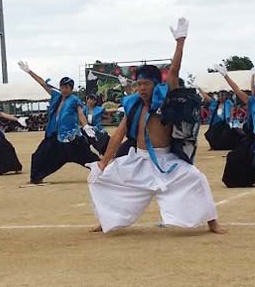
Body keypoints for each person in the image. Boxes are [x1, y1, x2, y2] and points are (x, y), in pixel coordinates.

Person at [85, 18, 226, 234]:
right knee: (104, 180)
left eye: (146, 84)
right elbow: (117, 137)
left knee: (196, 178)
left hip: (167, 161)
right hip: (138, 161)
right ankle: (107, 220)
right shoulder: (133, 107)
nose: (141, 88)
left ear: (155, 84)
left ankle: (212, 222)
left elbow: (174, 71)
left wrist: (180, 42)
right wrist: (103, 163)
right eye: (138, 84)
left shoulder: (166, 98)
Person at [18, 61, 100, 185]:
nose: (64, 89)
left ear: (71, 89)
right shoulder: (56, 96)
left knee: (86, 157)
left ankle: (103, 170)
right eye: (62, 87)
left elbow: (80, 113)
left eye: (67, 87)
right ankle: (36, 178)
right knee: (39, 155)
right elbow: (42, 83)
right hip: (54, 135)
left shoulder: (74, 100)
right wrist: (29, 71)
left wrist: (86, 126)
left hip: (71, 137)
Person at [198, 86, 243, 150]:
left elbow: (231, 112)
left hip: (226, 122)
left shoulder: (228, 103)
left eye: (223, 95)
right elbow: (208, 98)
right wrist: (200, 90)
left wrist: (230, 121)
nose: (221, 97)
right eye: (220, 96)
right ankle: (213, 147)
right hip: (216, 123)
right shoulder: (215, 103)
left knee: (226, 136)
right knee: (210, 135)